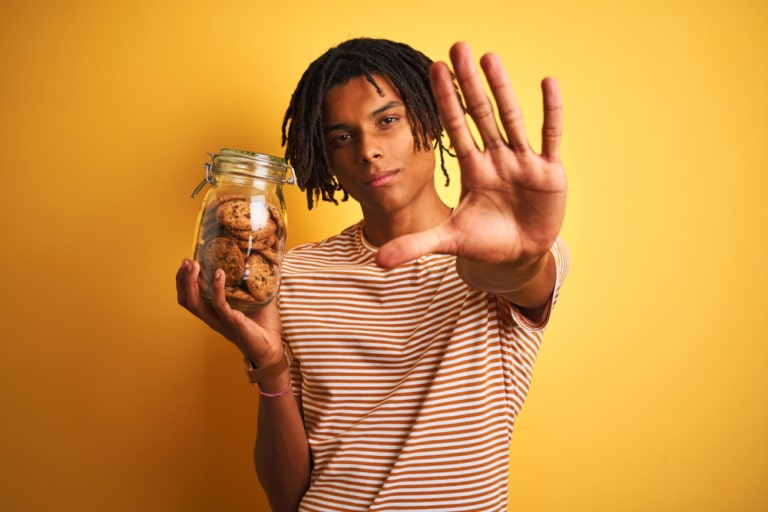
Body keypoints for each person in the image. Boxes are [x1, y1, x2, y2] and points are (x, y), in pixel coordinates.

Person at [177, 37, 569, 512]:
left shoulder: (502, 253)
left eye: (388, 120)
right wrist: (268, 362)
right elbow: (285, 498)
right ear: (327, 158)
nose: (368, 150)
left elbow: (519, 274)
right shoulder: (293, 273)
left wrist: (519, 254)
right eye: (342, 137)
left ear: (430, 118)